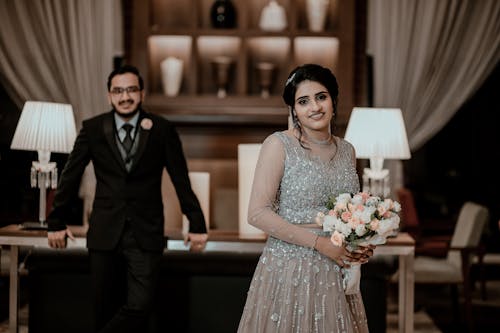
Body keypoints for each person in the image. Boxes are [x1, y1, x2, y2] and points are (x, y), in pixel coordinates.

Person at [47, 65, 208, 333]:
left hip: (145, 233)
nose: (125, 97)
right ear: (109, 96)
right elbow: (70, 176)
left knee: (140, 306)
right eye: (118, 91)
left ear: (142, 94)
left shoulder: (162, 129)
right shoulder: (93, 128)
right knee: (104, 310)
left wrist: (197, 223)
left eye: (131, 89)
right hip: (104, 231)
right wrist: (56, 220)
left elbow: (180, 178)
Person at [238, 64, 374, 332]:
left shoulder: (347, 150)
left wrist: (362, 243)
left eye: (321, 97)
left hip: (337, 271)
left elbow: (352, 210)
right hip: (289, 268)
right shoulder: (278, 144)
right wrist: (319, 244)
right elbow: (257, 213)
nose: (315, 107)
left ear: (333, 101)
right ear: (294, 110)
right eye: (303, 101)